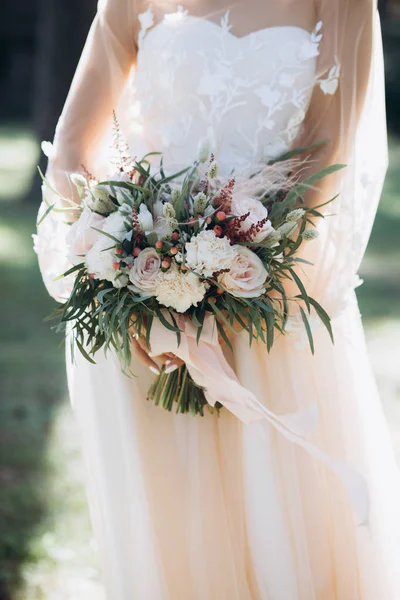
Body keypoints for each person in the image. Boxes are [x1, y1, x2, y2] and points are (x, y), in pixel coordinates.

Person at [36, 1, 400, 598]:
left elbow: (322, 155)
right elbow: (73, 153)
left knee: (282, 529)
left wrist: (238, 277)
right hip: (143, 317)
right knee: (174, 535)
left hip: (270, 304)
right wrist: (125, 267)